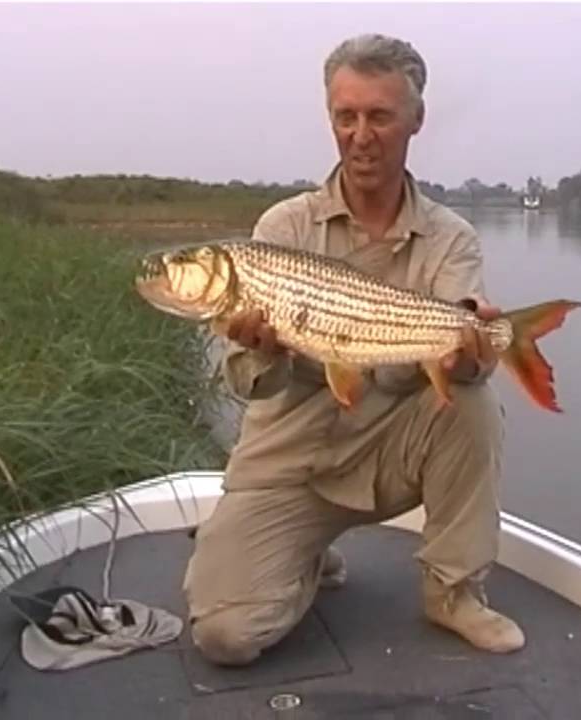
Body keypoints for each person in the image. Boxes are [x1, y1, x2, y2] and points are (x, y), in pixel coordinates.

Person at [181, 33, 524, 666]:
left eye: (379, 115)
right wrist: (265, 350)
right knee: (223, 637)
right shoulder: (281, 229)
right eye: (347, 116)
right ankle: (301, 558)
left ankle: (453, 591)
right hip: (289, 462)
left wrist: (474, 348)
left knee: (474, 401)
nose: (361, 134)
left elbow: (465, 354)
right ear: (331, 119)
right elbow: (249, 387)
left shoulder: (452, 240)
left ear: (415, 120)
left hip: (390, 450)